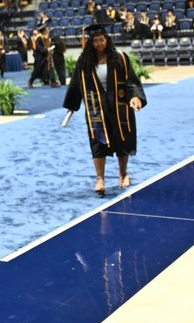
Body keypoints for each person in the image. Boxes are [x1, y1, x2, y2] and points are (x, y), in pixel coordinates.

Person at [63, 24, 147, 197]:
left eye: (102, 40)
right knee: (98, 141)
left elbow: (131, 81)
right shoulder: (84, 61)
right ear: (91, 43)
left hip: (120, 106)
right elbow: (76, 83)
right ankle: (100, 178)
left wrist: (136, 97)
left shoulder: (120, 58)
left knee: (122, 139)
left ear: (107, 40)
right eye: (95, 41)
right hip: (96, 108)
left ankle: (123, 173)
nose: (99, 44)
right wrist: (72, 105)